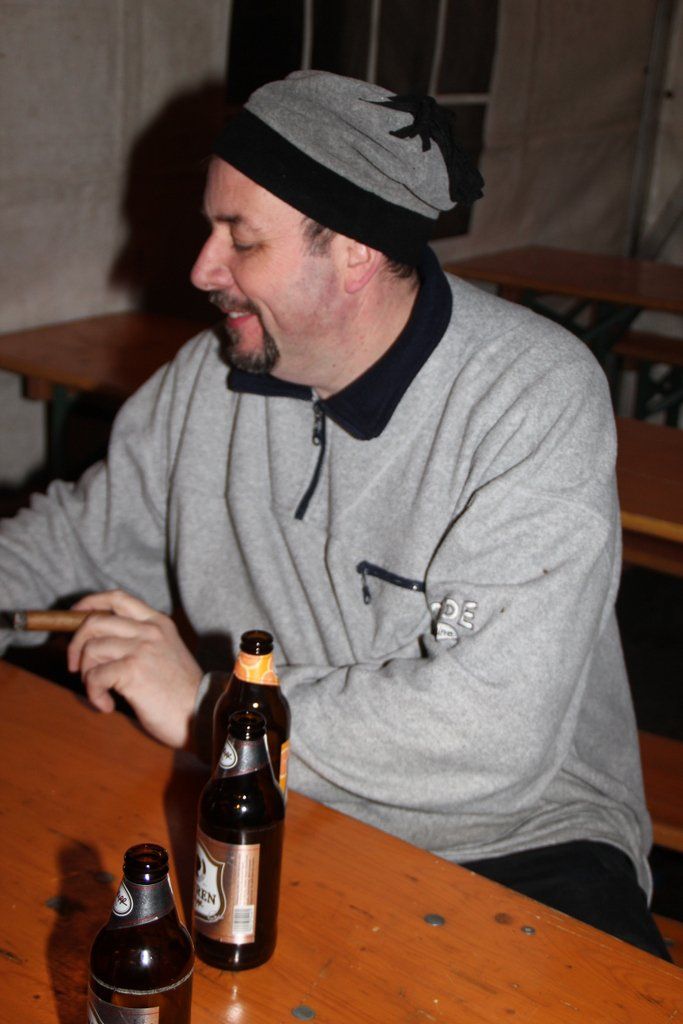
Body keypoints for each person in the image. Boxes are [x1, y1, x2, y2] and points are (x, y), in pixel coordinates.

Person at [0, 71, 669, 959]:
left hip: (516, 838)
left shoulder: (528, 395)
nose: (202, 268)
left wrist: (208, 708)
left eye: (240, 238)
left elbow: (491, 732)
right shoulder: (210, 379)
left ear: (353, 251)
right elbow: (73, 540)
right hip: (270, 797)